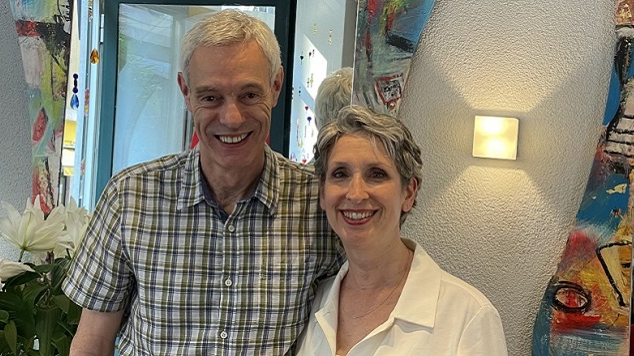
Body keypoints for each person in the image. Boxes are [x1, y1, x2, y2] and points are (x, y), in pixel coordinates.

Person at [63, 10, 344, 355]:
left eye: (249, 95)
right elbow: (93, 340)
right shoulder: (130, 197)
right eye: (211, 97)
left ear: (275, 86)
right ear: (186, 91)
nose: (231, 117)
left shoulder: (320, 204)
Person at [297, 105, 507, 355]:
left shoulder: (468, 316)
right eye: (340, 174)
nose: (355, 193)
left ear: (408, 192)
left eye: (376, 174)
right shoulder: (312, 302)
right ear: (323, 193)